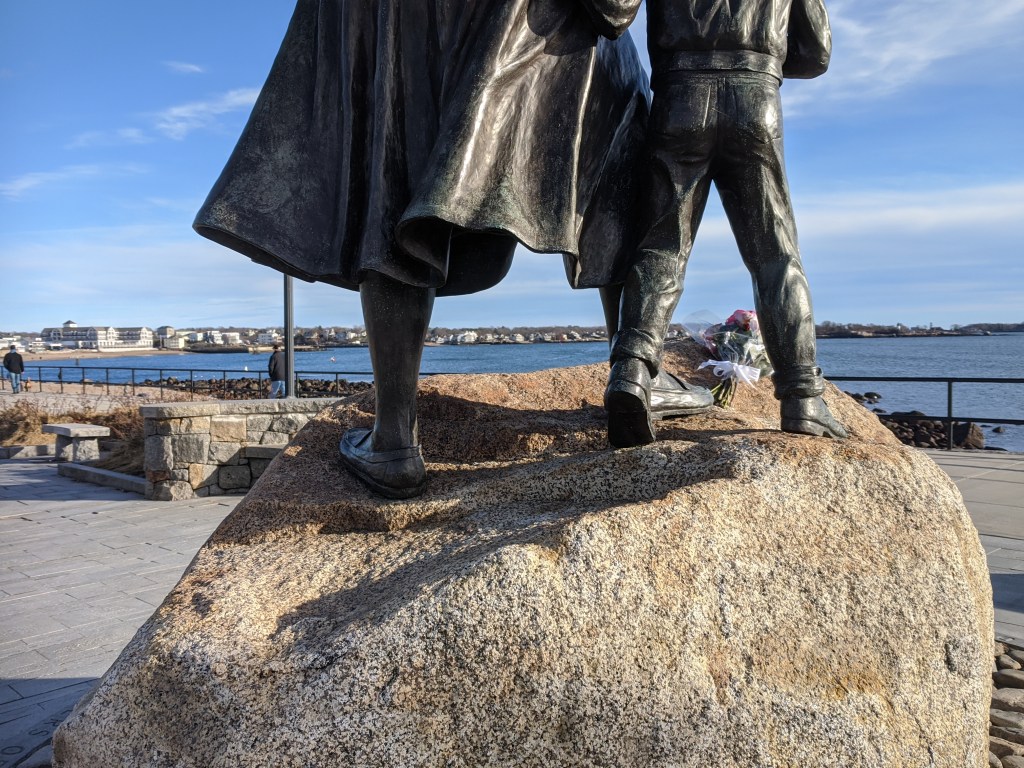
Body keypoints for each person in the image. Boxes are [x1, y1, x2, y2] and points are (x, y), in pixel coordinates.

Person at [195, 0, 652, 498]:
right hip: (548, 25)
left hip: (390, 17)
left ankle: (394, 438)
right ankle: (633, 368)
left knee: (393, 165)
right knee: (620, 130)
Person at [604, 0, 847, 448]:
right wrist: (761, 53)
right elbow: (815, 55)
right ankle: (802, 399)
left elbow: (613, 11)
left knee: (662, 245)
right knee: (775, 255)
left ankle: (632, 371)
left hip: (678, 99)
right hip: (756, 99)